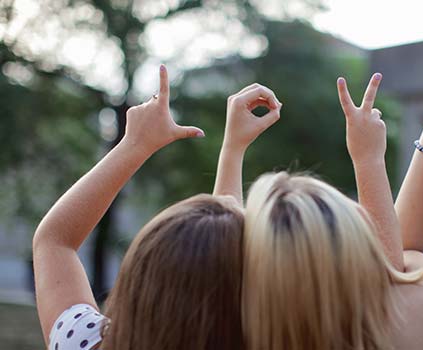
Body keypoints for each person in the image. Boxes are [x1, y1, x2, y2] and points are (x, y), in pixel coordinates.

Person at [240, 70, 423, 350]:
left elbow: (394, 268)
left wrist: (232, 150)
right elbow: (397, 266)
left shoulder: (254, 334)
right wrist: (371, 159)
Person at [32, 65, 281, 350]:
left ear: (138, 277)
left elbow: (53, 240)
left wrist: (134, 143)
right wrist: (233, 150)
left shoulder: (85, 342)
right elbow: (220, 265)